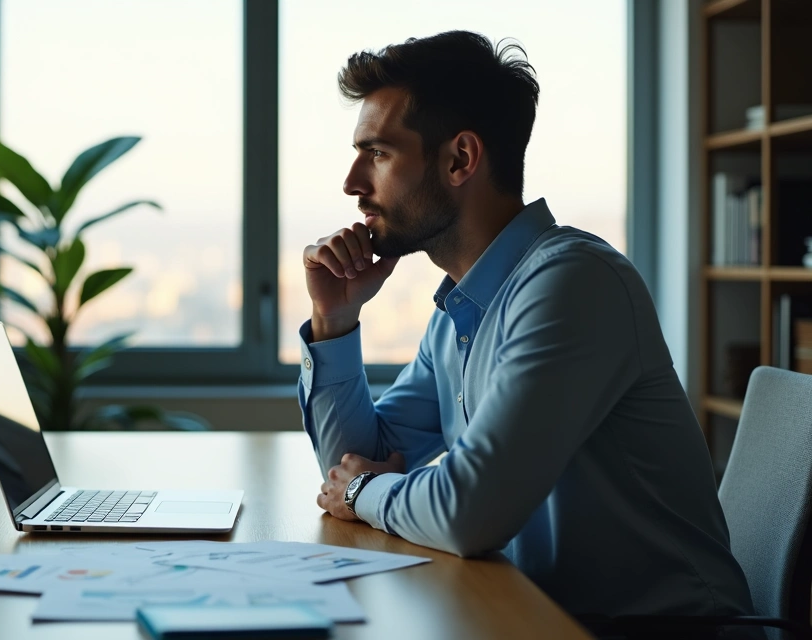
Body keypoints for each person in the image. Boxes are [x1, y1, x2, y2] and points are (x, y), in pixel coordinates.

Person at [300, 31, 754, 619]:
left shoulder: (572, 285)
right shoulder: (462, 313)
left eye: (379, 153)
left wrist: (365, 492)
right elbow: (353, 464)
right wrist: (334, 320)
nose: (353, 183)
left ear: (460, 158)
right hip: (534, 618)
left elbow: (467, 513)